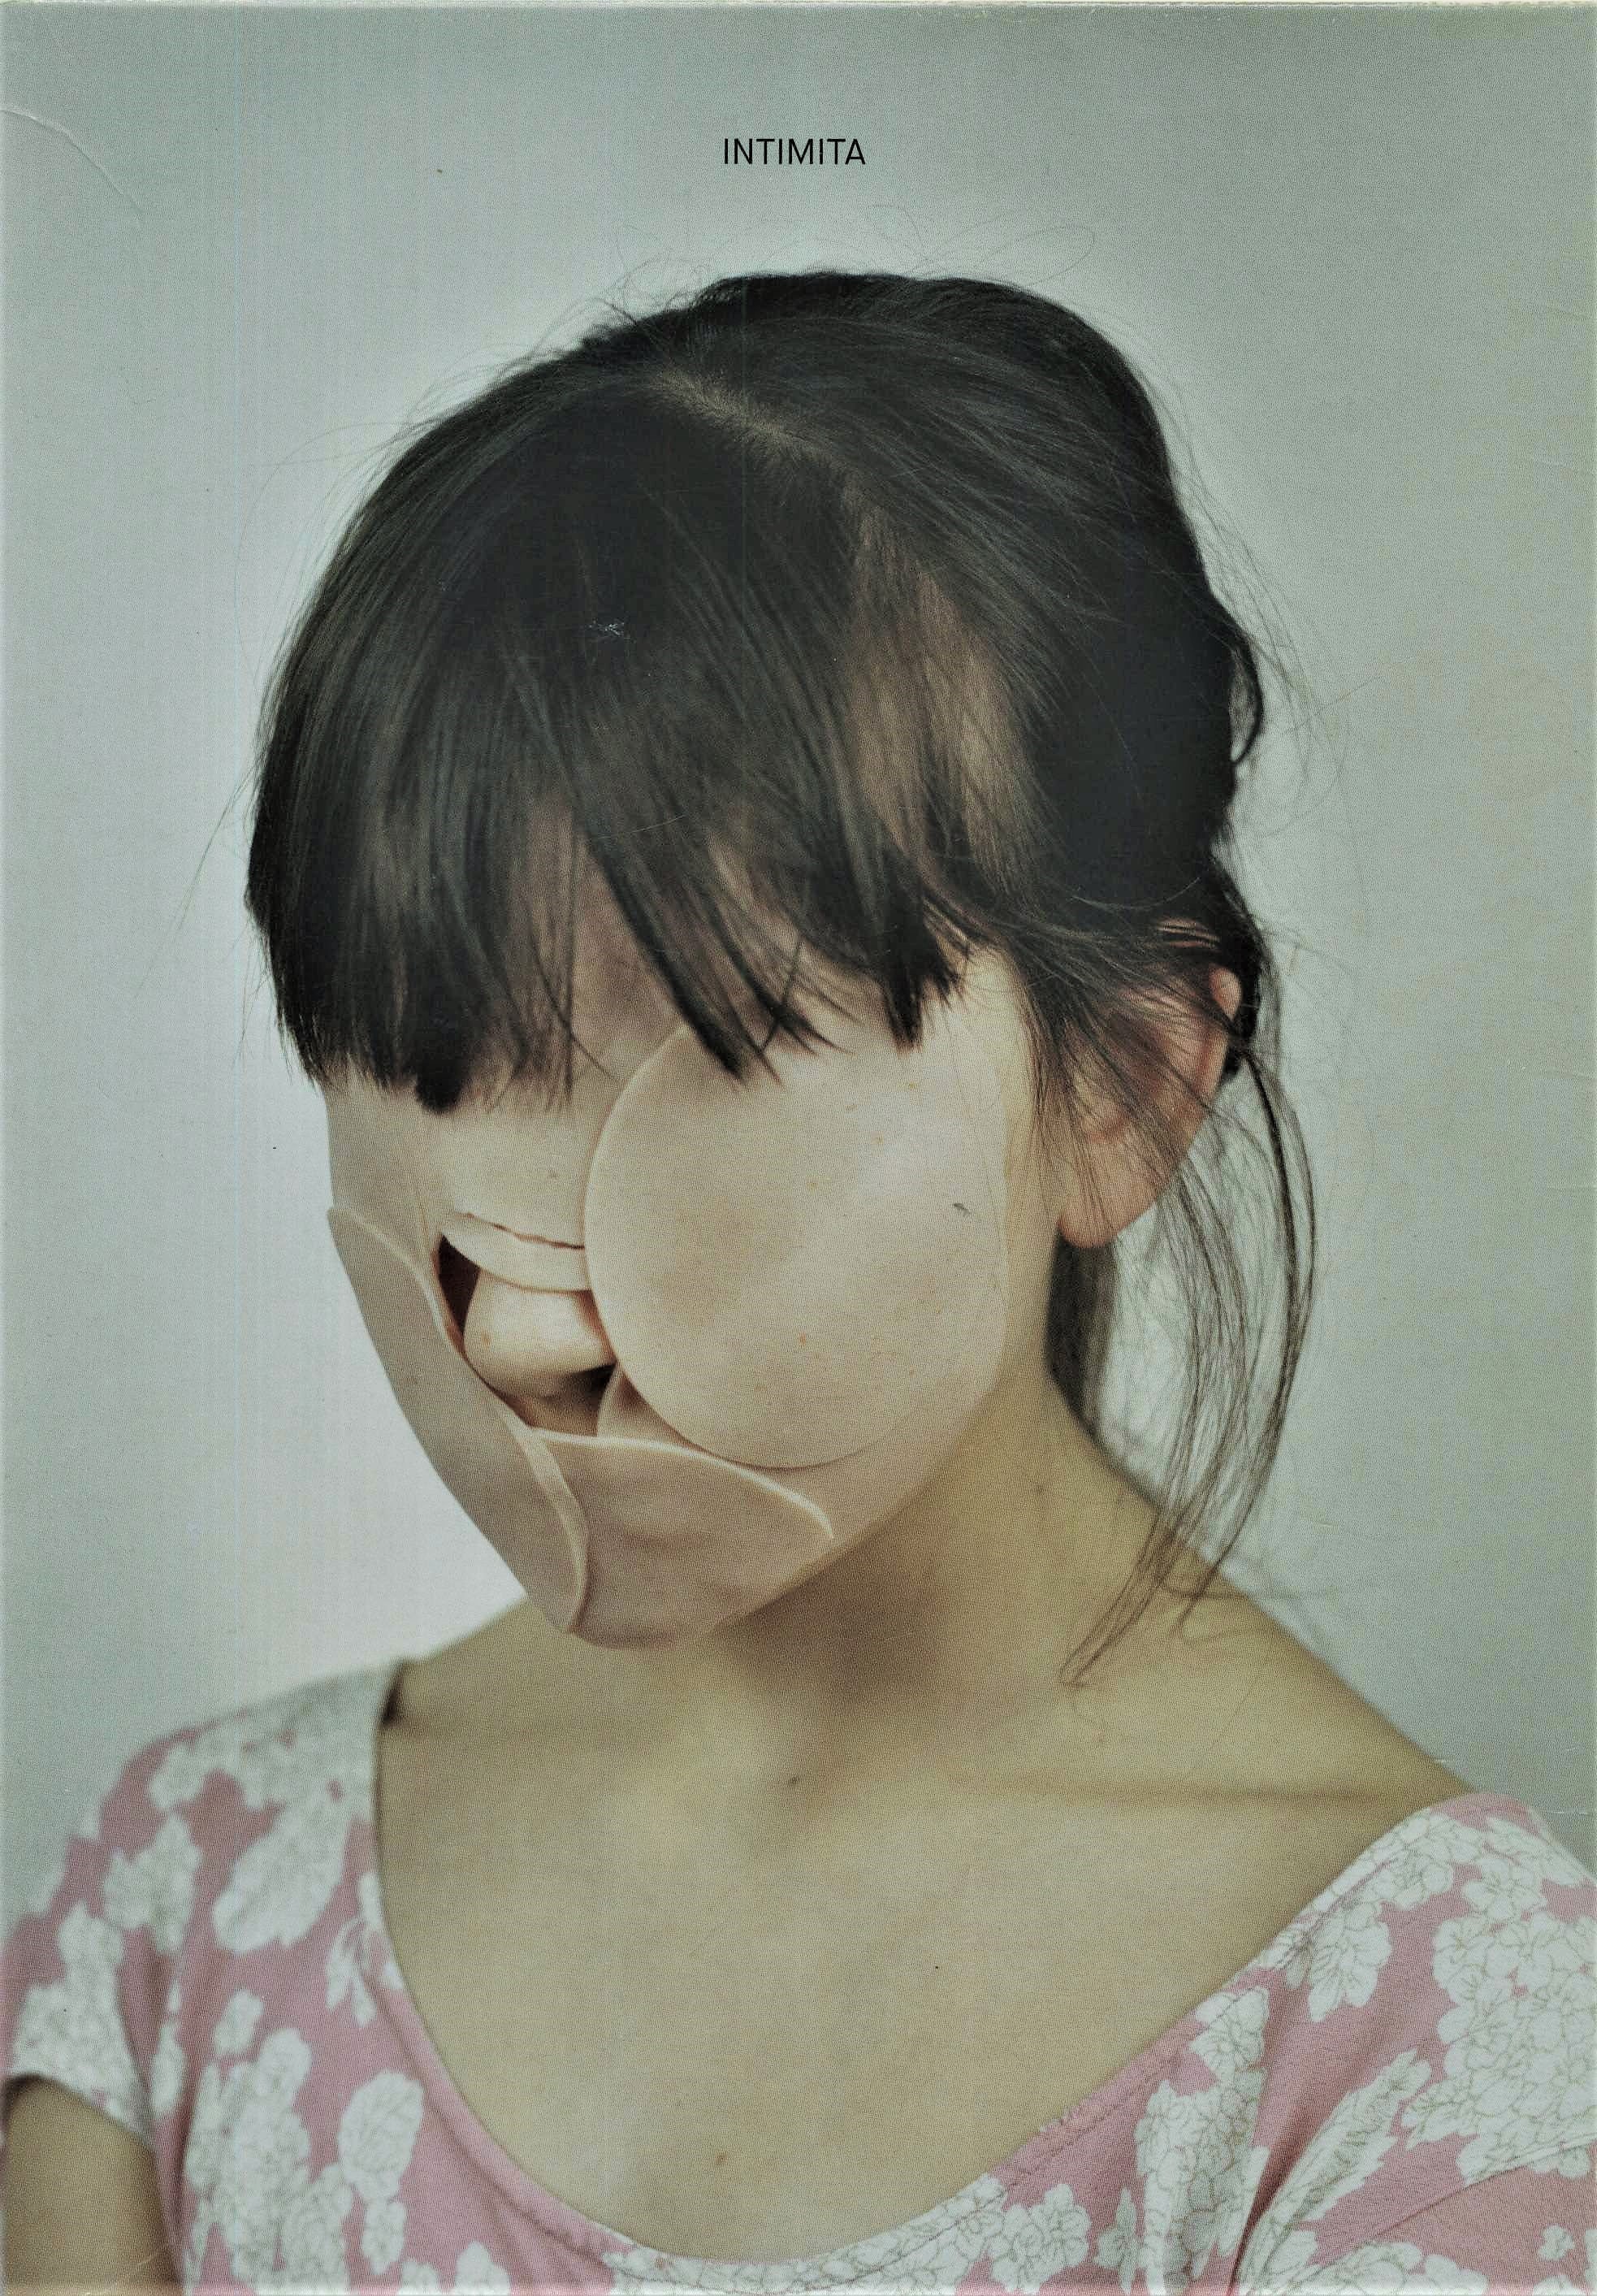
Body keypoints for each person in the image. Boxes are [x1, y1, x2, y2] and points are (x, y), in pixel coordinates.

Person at [4, 270, 1592, 2293]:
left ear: (1120, 1087)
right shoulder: (187, 1907)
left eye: (718, 1065)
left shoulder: (1431, 2071)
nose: (523, 1329)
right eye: (416, 1060)